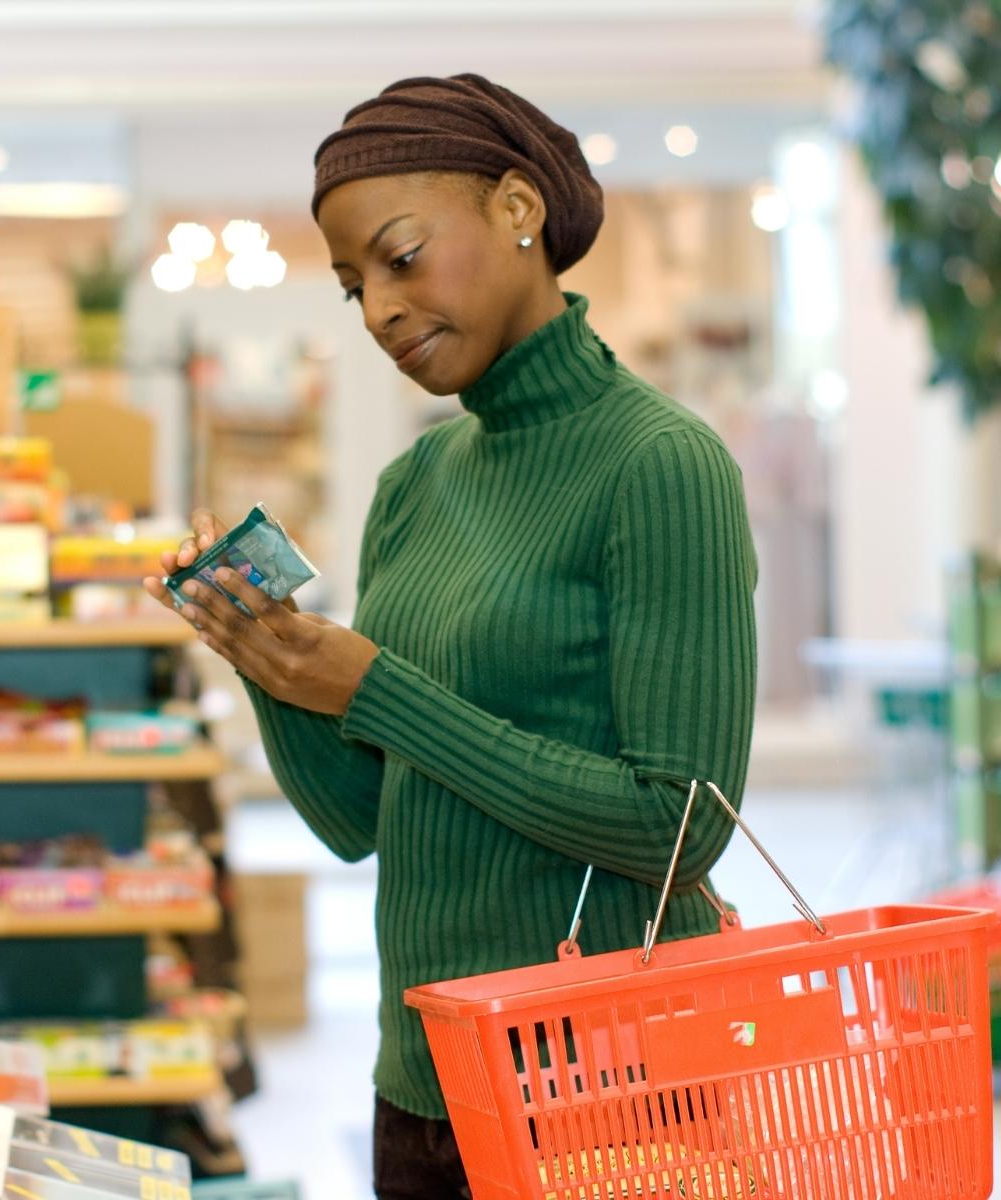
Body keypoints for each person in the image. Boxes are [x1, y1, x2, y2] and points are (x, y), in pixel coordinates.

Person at [144, 73, 757, 1200]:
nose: (378, 307)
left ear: (518, 209)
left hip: (607, 1090)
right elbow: (360, 823)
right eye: (352, 286)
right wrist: (267, 659)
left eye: (402, 256)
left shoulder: (661, 465)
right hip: (420, 1085)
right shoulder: (415, 483)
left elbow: (684, 829)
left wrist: (376, 688)